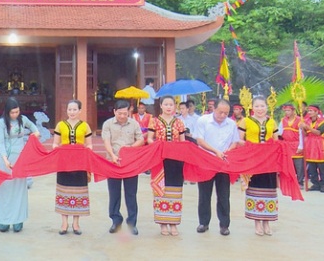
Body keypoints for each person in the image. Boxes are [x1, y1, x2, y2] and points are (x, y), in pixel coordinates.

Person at [193, 99, 241, 236]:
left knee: (224, 195)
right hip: (205, 161)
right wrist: (216, 152)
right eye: (220, 112)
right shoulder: (203, 121)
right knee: (204, 194)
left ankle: (224, 225)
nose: (223, 115)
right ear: (214, 109)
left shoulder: (231, 124)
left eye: (226, 113)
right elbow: (200, 141)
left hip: (223, 163)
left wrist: (227, 152)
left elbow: (235, 142)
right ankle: (204, 222)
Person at [0, 97, 40, 233]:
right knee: (5, 189)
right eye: (12, 112)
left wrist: (34, 134)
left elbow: (34, 128)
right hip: (6, 160)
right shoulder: (1, 123)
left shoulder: (23, 119)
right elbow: (0, 143)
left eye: (17, 112)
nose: (15, 115)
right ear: (7, 111)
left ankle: (18, 220)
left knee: (19, 189)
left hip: (21, 158)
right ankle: (3, 220)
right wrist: (5, 159)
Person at [102, 99, 144, 235]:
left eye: (125, 113)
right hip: (112, 162)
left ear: (129, 112)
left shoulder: (134, 124)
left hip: (131, 164)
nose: (122, 116)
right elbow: (106, 141)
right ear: (115, 112)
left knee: (131, 194)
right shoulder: (108, 124)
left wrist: (130, 149)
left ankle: (132, 222)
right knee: (114, 194)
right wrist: (112, 155)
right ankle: (116, 220)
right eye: (119, 113)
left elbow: (141, 139)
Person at [238, 96, 279, 236]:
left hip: (269, 161)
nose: (260, 109)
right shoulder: (245, 121)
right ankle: (257, 222)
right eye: (257, 106)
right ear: (252, 108)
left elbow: (276, 141)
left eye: (262, 106)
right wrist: (251, 147)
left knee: (269, 189)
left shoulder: (272, 122)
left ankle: (267, 222)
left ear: (266, 107)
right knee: (255, 188)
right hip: (253, 160)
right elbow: (240, 140)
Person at [52, 99, 93, 236]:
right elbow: (55, 144)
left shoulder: (85, 126)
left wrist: (85, 150)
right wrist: (61, 150)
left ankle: (76, 223)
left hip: (80, 163)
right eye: (69, 109)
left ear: (80, 111)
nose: (72, 112)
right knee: (64, 190)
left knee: (78, 192)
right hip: (64, 163)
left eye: (75, 109)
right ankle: (64, 223)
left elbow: (89, 145)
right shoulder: (60, 125)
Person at [149, 95, 186, 236]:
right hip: (160, 161)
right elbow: (149, 139)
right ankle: (163, 223)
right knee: (161, 189)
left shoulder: (179, 123)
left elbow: (183, 142)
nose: (169, 107)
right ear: (161, 106)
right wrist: (160, 147)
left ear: (174, 106)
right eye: (166, 104)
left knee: (175, 190)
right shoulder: (155, 122)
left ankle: (174, 223)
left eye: (171, 104)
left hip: (176, 161)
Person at [302, 105, 324, 193]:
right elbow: (305, 134)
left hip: (319, 144)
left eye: (311, 111)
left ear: (317, 112)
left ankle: (323, 184)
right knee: (311, 166)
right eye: (308, 111)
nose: (309, 112)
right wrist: (302, 128)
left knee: (321, 166)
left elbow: (318, 132)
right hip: (310, 144)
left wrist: (308, 127)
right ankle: (315, 184)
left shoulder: (322, 122)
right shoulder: (306, 121)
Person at [278, 104, 305, 188]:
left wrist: (301, 146)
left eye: (288, 110)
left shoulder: (299, 120)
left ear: (293, 111)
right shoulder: (283, 120)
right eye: (285, 111)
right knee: (288, 164)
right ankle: (289, 181)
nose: (287, 112)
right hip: (286, 144)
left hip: (296, 144)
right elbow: (279, 132)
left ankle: (300, 182)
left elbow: (301, 134)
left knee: (299, 165)